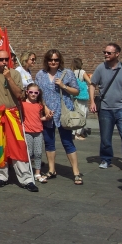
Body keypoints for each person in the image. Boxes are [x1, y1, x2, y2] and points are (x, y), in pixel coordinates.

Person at [0, 50, 38, 192]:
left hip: (12, 113)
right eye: (1, 59)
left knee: (18, 145)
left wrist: (9, 78)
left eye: (6, 59)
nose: (4, 62)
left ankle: (26, 179)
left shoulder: (15, 74)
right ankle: (2, 176)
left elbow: (19, 95)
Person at [35, 49, 83, 185]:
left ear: (59, 60)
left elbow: (76, 91)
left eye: (56, 60)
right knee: (49, 142)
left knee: (67, 142)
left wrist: (63, 86)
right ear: (46, 61)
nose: (53, 62)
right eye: (50, 60)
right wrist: (44, 107)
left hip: (64, 112)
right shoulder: (40, 74)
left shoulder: (67, 73)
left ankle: (76, 172)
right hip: (48, 113)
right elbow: (38, 93)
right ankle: (52, 170)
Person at [89, 43, 122, 174]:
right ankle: (106, 159)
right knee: (105, 138)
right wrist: (92, 102)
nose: (106, 54)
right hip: (105, 109)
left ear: (117, 54)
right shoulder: (100, 68)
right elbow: (92, 85)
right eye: (105, 52)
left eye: (109, 53)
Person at [21, 83, 49, 184]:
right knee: (29, 153)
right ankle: (27, 172)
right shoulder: (22, 104)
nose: (33, 94)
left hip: (38, 131)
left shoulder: (39, 105)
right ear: (27, 92)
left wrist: (47, 118)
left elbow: (40, 117)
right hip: (27, 131)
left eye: (36, 92)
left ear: (38, 93)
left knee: (38, 153)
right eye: (31, 92)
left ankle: (37, 173)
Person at [71, 58, 91, 140]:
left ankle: (73, 132)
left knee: (75, 114)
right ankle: (77, 133)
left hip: (73, 95)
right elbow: (90, 82)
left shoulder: (71, 72)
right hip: (82, 96)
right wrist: (90, 77)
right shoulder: (82, 72)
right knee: (83, 114)